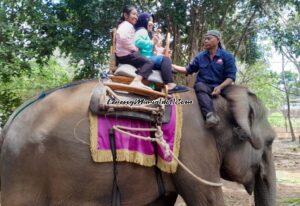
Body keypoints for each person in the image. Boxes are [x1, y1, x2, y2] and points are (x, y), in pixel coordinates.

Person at [173, 30, 237, 127]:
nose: (205, 41)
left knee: (237, 100)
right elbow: (188, 70)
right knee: (199, 86)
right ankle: (210, 116)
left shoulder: (227, 56)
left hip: (223, 86)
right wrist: (172, 66)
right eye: (205, 39)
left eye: (209, 38)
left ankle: (239, 126)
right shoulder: (200, 57)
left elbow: (231, 77)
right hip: (205, 86)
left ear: (218, 40)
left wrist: (220, 87)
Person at [134, 13, 188, 94]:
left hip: (147, 58)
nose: (152, 23)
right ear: (143, 21)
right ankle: (170, 85)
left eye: (152, 21)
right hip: (144, 59)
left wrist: (153, 44)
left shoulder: (145, 32)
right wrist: (151, 42)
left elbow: (148, 47)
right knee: (165, 59)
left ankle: (166, 75)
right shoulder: (142, 30)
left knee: (166, 63)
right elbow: (137, 42)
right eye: (149, 20)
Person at [115, 6, 154, 90]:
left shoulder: (126, 25)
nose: (136, 17)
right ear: (126, 15)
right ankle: (136, 82)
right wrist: (134, 48)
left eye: (137, 15)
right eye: (133, 14)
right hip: (126, 55)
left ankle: (141, 79)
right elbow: (123, 38)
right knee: (149, 63)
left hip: (124, 54)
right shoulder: (126, 25)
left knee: (143, 62)